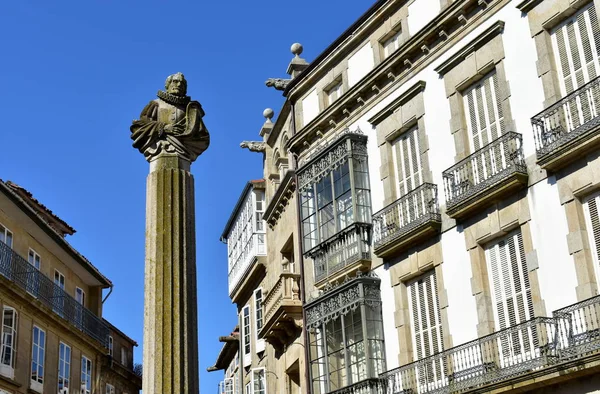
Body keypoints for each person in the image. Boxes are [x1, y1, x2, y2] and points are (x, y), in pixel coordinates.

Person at [130, 73, 210, 161]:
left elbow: (202, 136)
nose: (179, 85)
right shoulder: (156, 104)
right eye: (175, 81)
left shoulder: (190, 109)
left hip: (184, 152)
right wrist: (163, 128)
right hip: (159, 150)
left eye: (182, 83)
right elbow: (141, 126)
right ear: (167, 85)